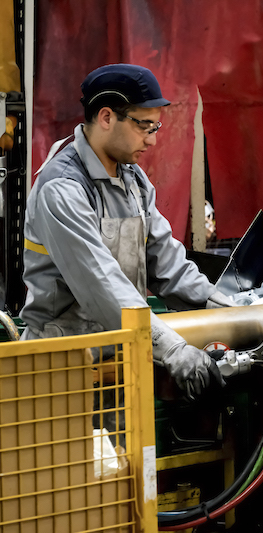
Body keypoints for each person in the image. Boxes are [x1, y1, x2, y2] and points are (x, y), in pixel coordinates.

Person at [20, 63, 232, 401]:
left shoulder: (134, 181)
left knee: (129, 455)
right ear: (106, 117)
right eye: (143, 125)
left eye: (156, 125)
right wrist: (174, 349)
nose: (153, 138)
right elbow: (102, 284)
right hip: (61, 372)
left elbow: (168, 265)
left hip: (121, 363)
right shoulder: (61, 189)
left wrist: (228, 309)